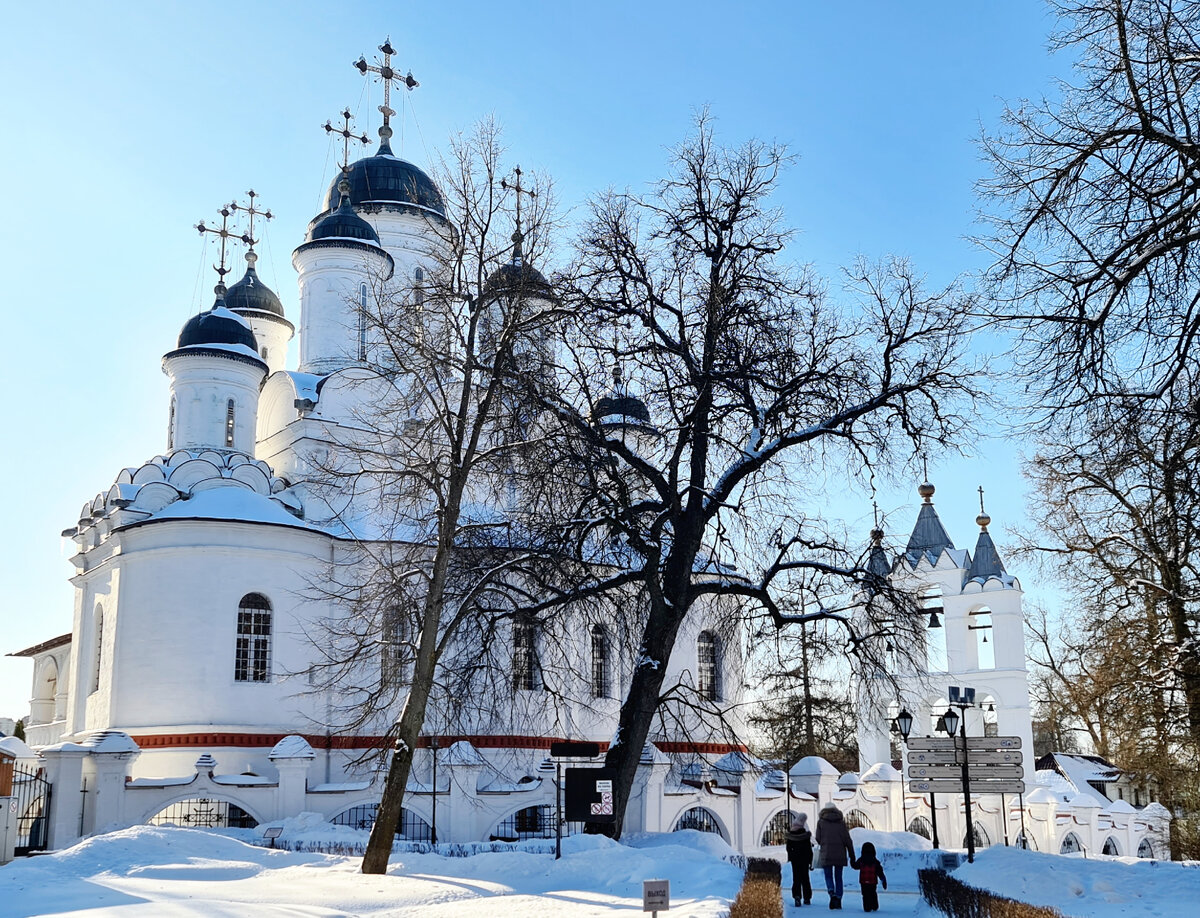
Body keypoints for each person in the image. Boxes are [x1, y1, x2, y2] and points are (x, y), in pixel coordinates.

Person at [814, 803, 855, 910]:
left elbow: (818, 838)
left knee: (828, 875)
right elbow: (847, 840)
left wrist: (825, 842)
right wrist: (852, 855)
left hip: (826, 852)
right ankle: (839, 898)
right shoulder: (841, 822)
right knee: (838, 877)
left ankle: (832, 893)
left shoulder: (821, 822)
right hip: (840, 853)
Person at [784, 812, 813, 906]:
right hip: (804, 858)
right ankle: (807, 897)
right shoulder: (804, 834)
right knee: (805, 878)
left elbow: (788, 848)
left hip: (795, 859)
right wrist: (810, 860)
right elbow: (808, 849)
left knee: (796, 878)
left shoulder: (791, 834)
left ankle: (797, 896)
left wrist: (791, 856)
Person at [855, 841, 887, 912]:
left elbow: (855, 866)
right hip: (873, 881)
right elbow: (880, 872)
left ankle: (867, 907)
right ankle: (874, 905)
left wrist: (852, 860)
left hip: (863, 881)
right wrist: (883, 879)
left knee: (865, 894)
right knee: (873, 893)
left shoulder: (861, 860)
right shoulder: (875, 861)